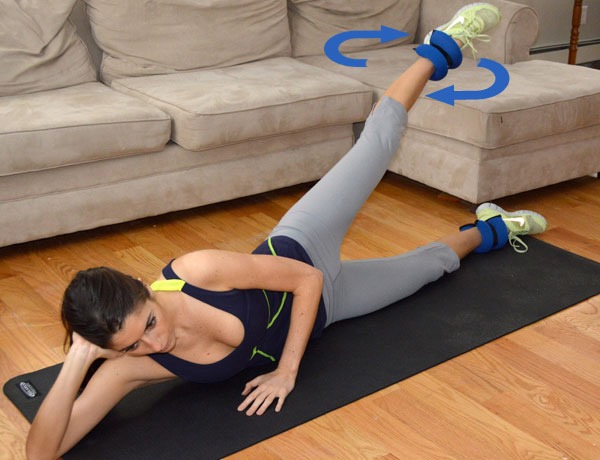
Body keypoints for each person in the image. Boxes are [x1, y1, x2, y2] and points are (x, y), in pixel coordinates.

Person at [25, 4, 547, 459]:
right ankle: (491, 228)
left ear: (146, 290)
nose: (154, 341)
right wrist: (79, 359)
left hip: (302, 252)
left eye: (149, 322)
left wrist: (287, 371)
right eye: (133, 344)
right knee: (431, 267)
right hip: (329, 309)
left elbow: (306, 280)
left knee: (376, 145)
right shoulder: (127, 367)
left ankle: (442, 47)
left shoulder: (197, 272)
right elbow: (42, 452)